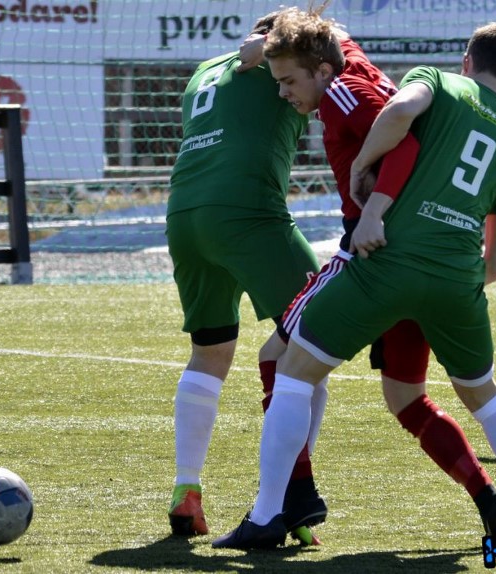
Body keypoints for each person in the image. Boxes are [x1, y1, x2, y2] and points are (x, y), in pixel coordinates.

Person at [214, 20, 496, 550]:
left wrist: (365, 176)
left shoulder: (437, 81)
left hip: (386, 261)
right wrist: (449, 270)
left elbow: (399, 115)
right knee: (485, 399)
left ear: (466, 62)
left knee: (290, 370)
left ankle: (271, 512)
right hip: (457, 282)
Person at [165, 10, 327, 543]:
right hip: (248, 211)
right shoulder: (277, 62)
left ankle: (187, 488)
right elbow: (330, 66)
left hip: (185, 212)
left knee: (209, 351)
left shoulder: (203, 70)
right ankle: (289, 499)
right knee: (317, 338)